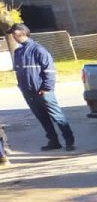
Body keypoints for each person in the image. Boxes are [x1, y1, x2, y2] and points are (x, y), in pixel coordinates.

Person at [9, 23, 75, 152]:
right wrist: (21, 86)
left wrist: (46, 88)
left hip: (43, 92)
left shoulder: (38, 50)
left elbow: (49, 71)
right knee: (42, 118)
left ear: (21, 33)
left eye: (14, 33)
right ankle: (53, 141)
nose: (12, 36)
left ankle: (69, 141)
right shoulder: (18, 51)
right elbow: (19, 71)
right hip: (28, 92)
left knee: (57, 117)